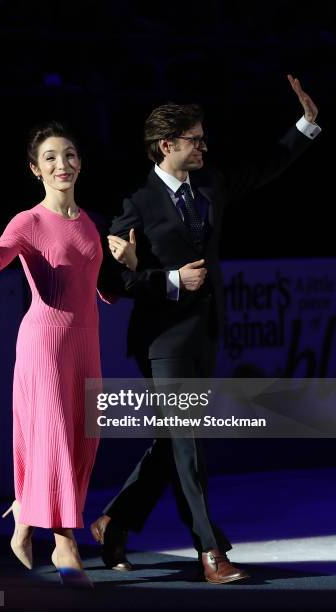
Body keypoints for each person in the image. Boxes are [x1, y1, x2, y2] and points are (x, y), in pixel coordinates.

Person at [91, 75, 321, 584]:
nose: (204, 146)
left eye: (203, 138)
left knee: (175, 440)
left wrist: (306, 124)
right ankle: (210, 551)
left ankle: (115, 521)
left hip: (206, 331)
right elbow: (113, 280)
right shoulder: (136, 204)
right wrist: (168, 277)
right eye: (195, 139)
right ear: (166, 144)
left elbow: (265, 168)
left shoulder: (211, 183)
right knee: (188, 442)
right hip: (162, 339)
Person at [0, 121, 137, 589]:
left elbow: (99, 290)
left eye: (69, 155)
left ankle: (24, 521)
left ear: (80, 163)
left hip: (85, 343)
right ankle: (64, 540)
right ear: (36, 169)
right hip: (45, 344)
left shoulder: (89, 220)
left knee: (78, 442)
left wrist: (128, 264)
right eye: (50, 157)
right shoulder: (28, 221)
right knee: (53, 439)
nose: (61, 164)